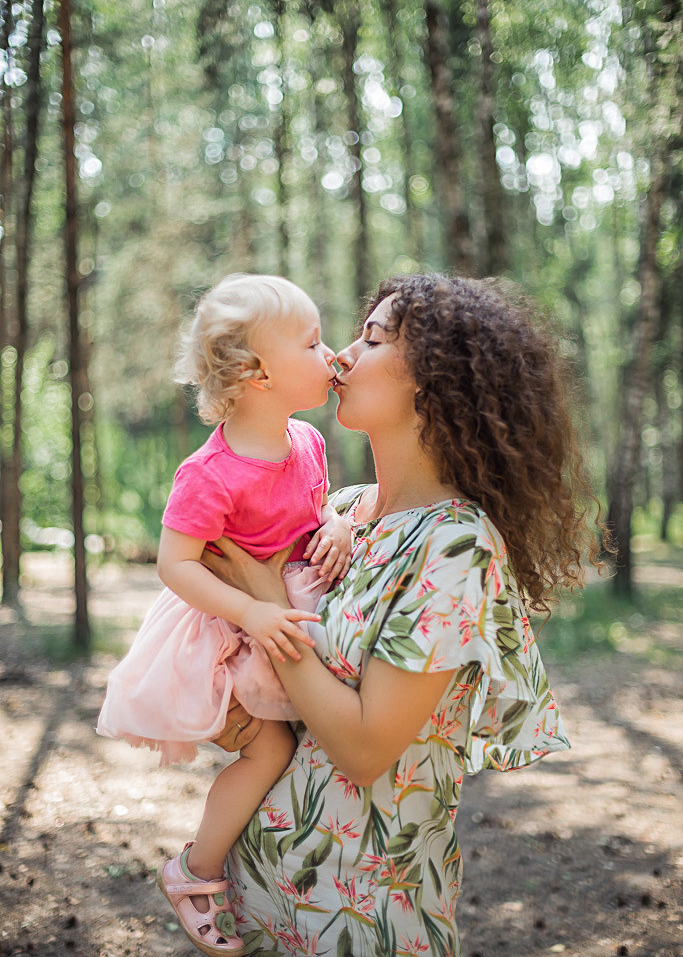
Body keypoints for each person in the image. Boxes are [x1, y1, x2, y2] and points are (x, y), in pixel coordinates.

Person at [193, 272, 607, 957]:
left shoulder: (455, 545)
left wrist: (266, 603)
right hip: (256, 891)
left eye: (371, 338)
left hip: (360, 919)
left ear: (434, 379)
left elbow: (362, 749)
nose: (341, 357)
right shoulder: (341, 510)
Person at [97, 274, 352, 957]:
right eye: (311, 341)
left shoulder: (307, 444)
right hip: (223, 631)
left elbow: (312, 512)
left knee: (324, 731)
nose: (330, 354)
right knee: (269, 746)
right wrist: (249, 609)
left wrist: (336, 525)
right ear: (255, 372)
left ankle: (300, 872)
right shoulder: (209, 474)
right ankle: (195, 871)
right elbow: (175, 565)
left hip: (285, 612)